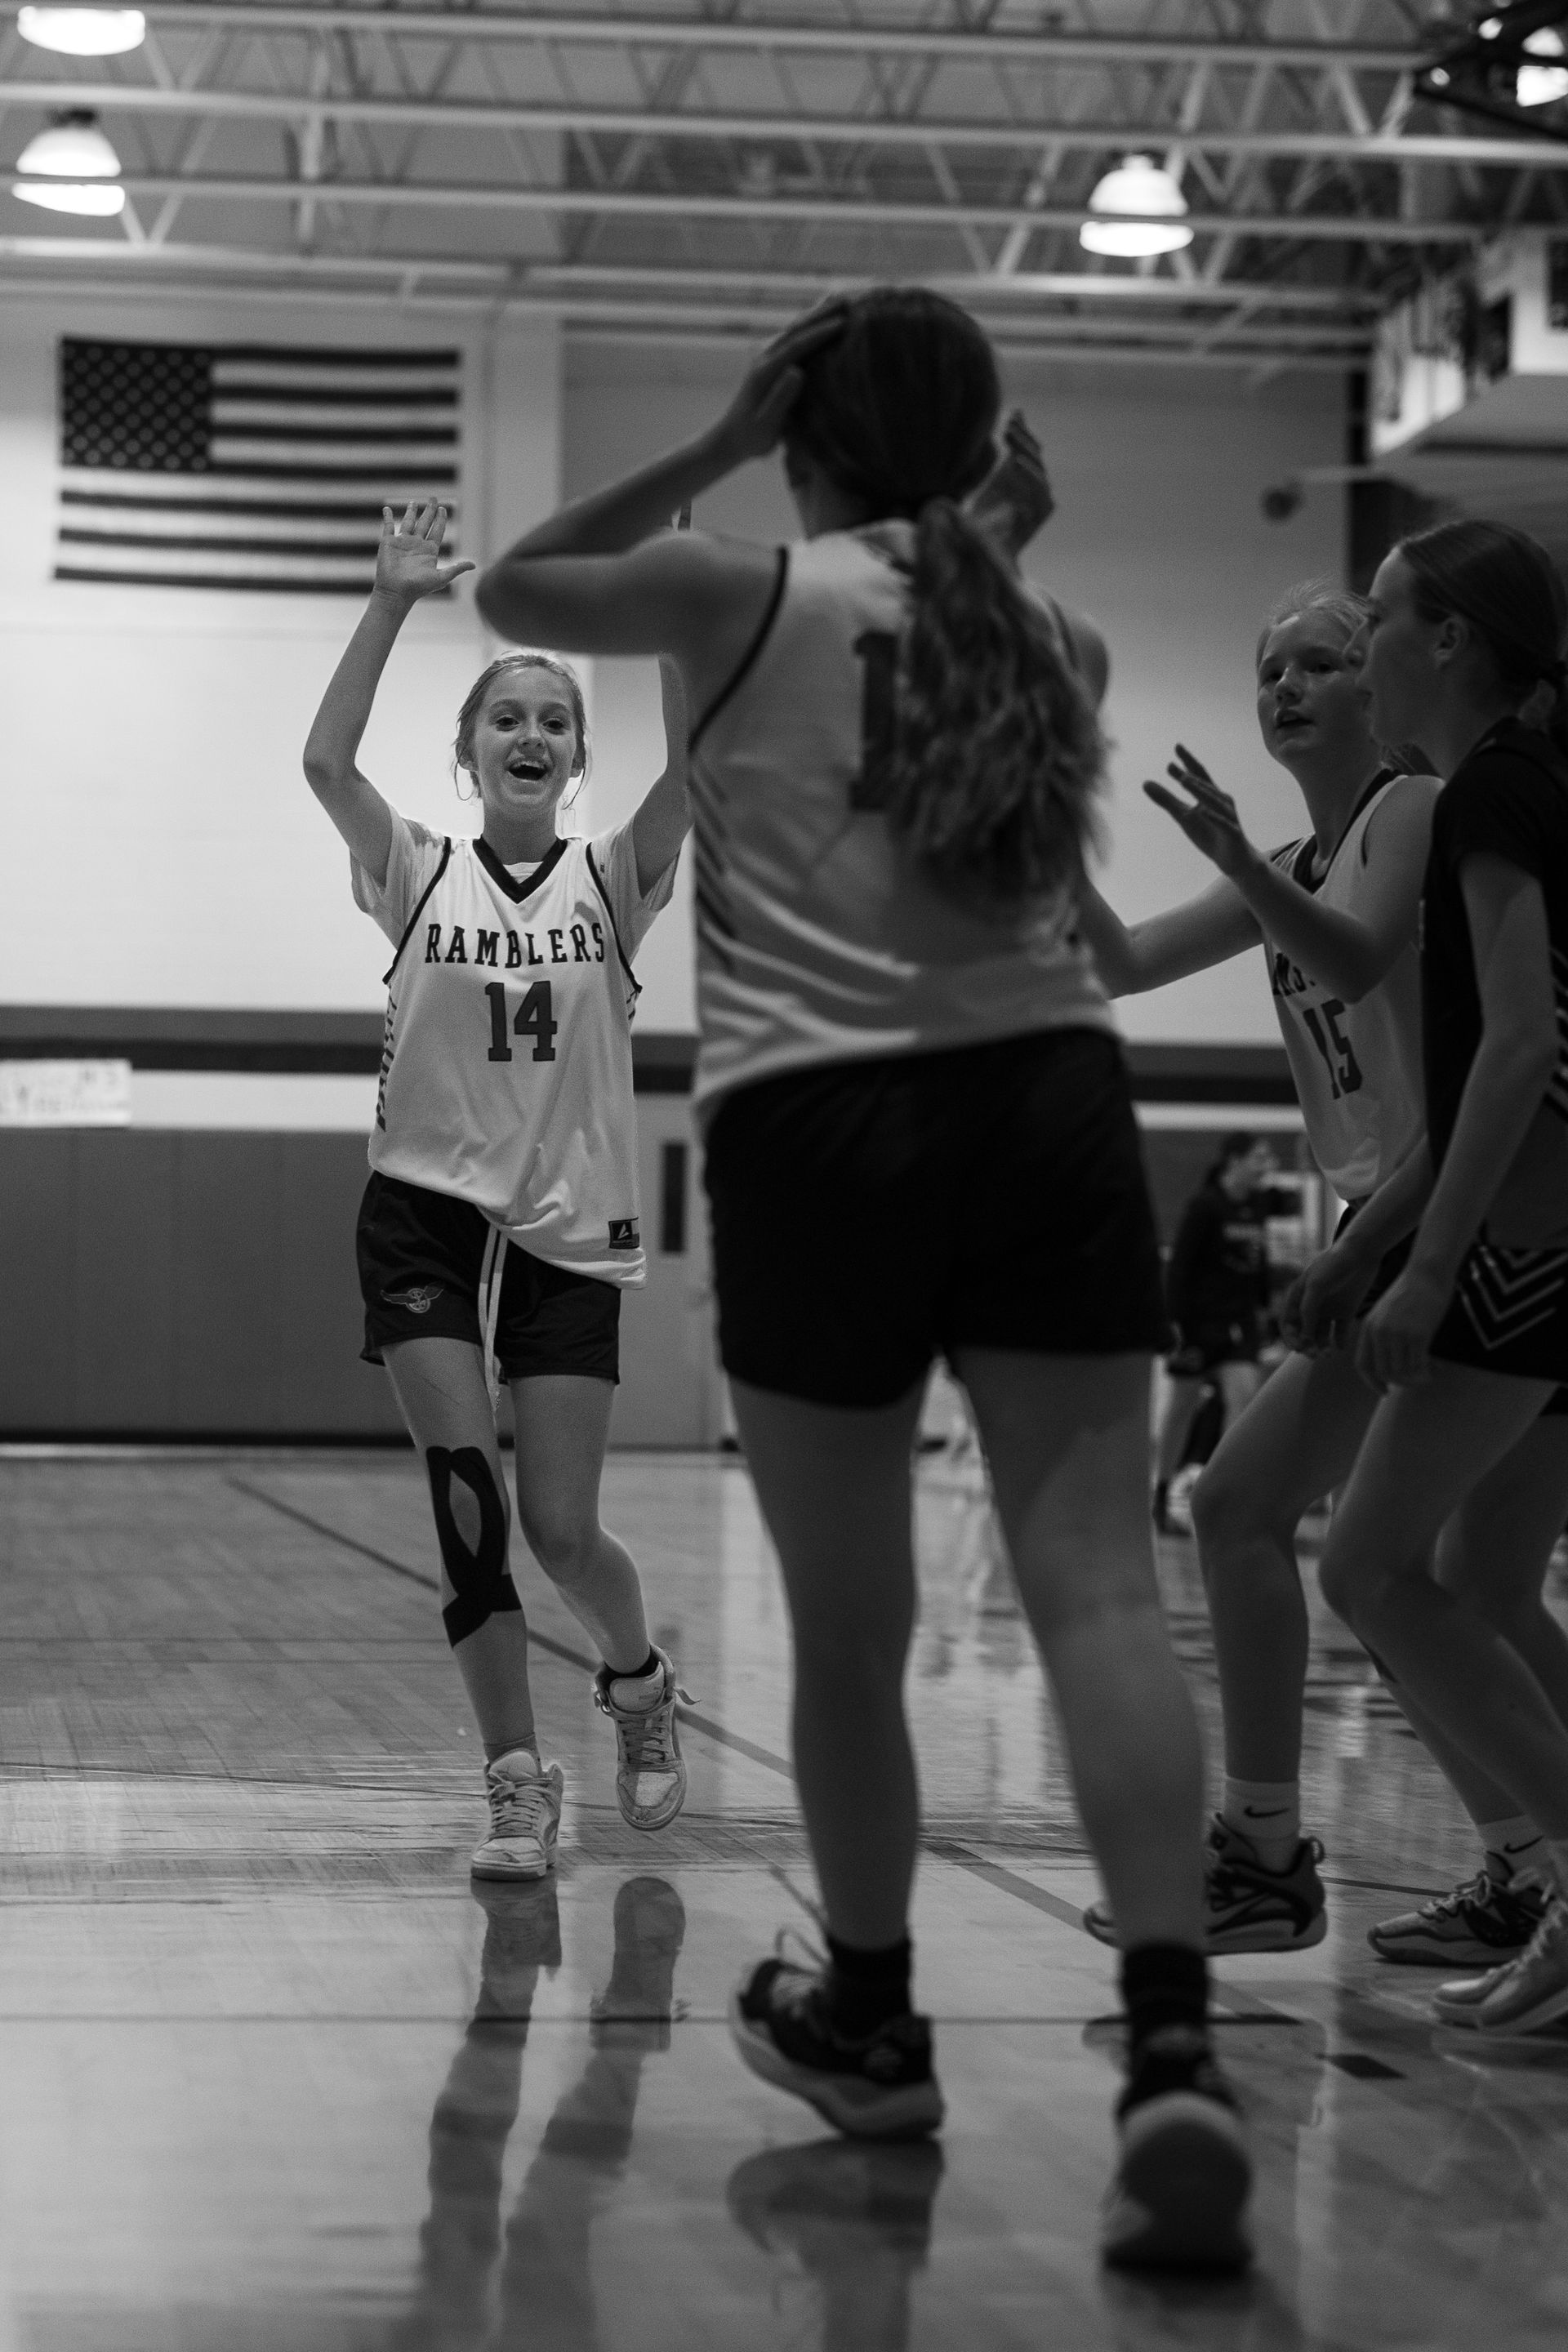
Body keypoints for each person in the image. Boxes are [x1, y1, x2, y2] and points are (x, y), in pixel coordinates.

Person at [474, 289, 1252, 2276]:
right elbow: (933, 622)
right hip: (1054, 1102)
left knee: (849, 1627)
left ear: (795, 430)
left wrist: (712, 445)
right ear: (982, 454)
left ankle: (879, 2021)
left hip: (820, 1125)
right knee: (1101, 1593)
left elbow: (513, 584)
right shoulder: (1052, 637)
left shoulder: (734, 586)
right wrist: (975, 529)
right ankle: (1174, 2047)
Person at [1080, 581, 1568, 1968]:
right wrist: (1041, 817)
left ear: (1379, 681)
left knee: (1261, 1515)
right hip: (1410, 1217)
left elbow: (1360, 970)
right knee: (1452, 1580)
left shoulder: (1415, 811)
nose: (1284, 688)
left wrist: (1364, 1245)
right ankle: (1522, 1864)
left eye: (1318, 661)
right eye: (1267, 671)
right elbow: (1118, 962)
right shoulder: (1297, 858)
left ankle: (1267, 1852)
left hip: (1435, 1215)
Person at [302, 499, 691, 1882]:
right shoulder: (414, 865)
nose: (531, 735)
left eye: (554, 722)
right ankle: (516, 1783)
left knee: (561, 1531)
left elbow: (700, 766)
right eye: (506, 720)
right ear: (467, 752)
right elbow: (324, 760)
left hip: (568, 1226)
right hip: (423, 1214)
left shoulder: (614, 876)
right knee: (469, 1509)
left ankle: (637, 1681)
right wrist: (392, 601)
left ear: (578, 757)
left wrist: (676, 616)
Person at [1298, 519, 1568, 2035]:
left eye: (1384, 618)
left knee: (1369, 1569)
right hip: (1533, 1234)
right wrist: (1367, 1244)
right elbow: (1477, 1082)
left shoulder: (1495, 793)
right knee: (1482, 1584)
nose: (1368, 646)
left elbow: (1522, 1052)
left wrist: (1431, 1267)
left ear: (1450, 638)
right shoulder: (1519, 782)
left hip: (1525, 1245)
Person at [1152, 1132, 1277, 1534]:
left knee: (1245, 1403)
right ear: (1234, 1161)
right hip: (1199, 1324)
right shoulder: (1206, 1206)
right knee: (1181, 1409)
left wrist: (1266, 1309)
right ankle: (1162, 1491)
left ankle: (1222, 1499)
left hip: (1239, 1324)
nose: (1266, 1165)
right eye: (1259, 1157)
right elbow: (1180, 1267)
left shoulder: (1257, 1206)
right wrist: (1175, 1323)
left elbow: (1258, 1264)